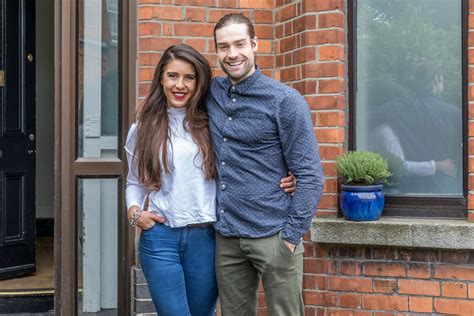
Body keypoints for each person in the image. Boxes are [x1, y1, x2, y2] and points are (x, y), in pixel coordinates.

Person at [125, 44, 296, 316]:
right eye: (172, 76)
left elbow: (247, 158)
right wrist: (135, 214)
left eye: (189, 78)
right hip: (160, 239)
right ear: (161, 78)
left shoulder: (211, 122)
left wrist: (287, 175)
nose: (180, 85)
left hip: (206, 239)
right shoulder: (143, 127)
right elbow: (134, 182)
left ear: (199, 82)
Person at [207, 14, 324, 316]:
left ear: (255, 44)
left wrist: (291, 236)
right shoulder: (212, 94)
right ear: (216, 51)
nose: (232, 54)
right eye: (223, 47)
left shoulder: (284, 101)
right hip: (228, 238)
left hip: (274, 235)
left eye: (239, 44)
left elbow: (310, 175)